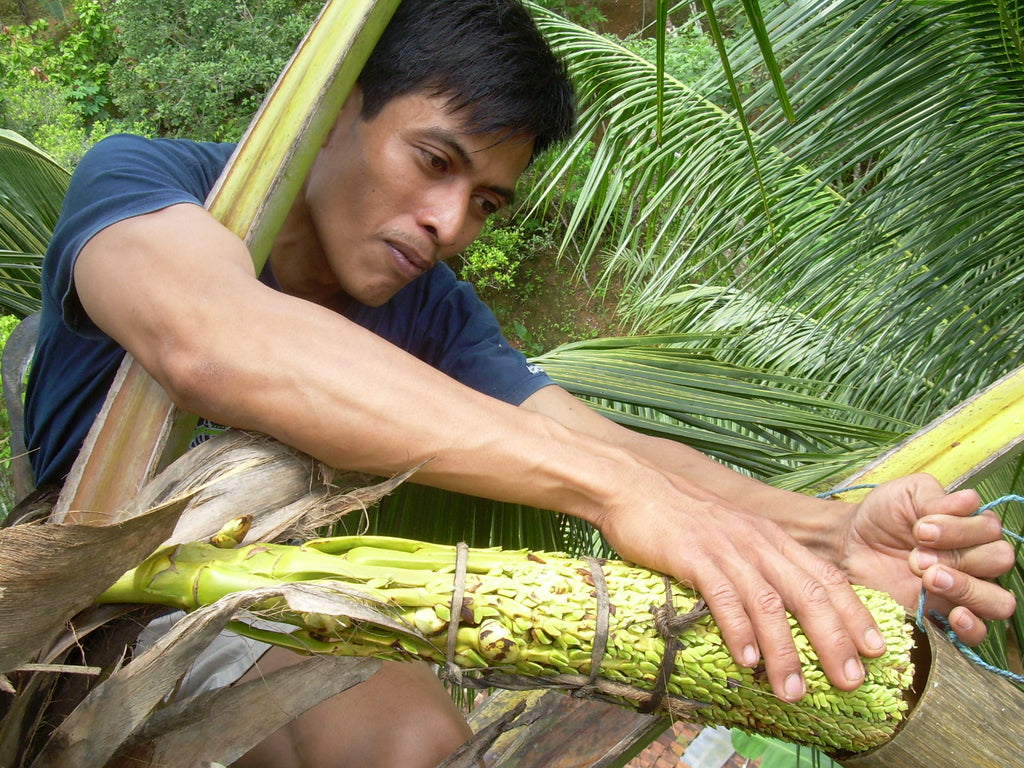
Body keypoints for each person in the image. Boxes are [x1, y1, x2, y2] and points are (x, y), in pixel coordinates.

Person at [23, 0, 1016, 766]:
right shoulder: (147, 185)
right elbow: (216, 338)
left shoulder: (434, 309)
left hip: (249, 601)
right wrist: (614, 497)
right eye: (432, 161)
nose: (449, 224)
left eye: (485, 200)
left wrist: (823, 532)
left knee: (414, 743)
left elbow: (597, 440)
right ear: (335, 109)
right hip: (66, 617)